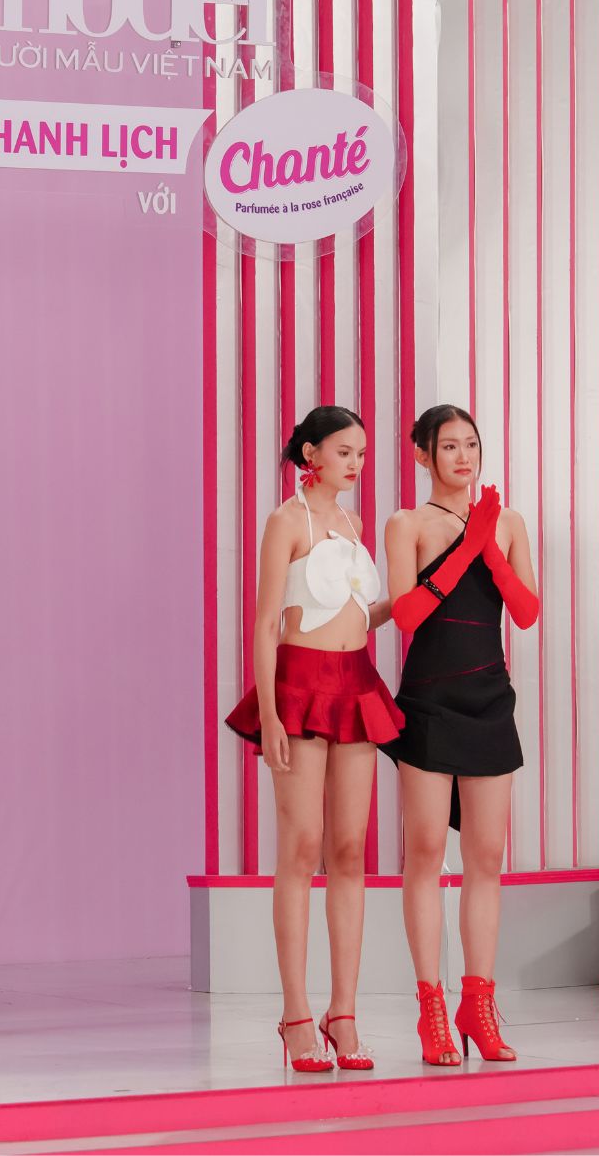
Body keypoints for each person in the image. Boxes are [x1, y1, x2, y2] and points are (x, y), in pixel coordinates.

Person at [223, 405, 402, 1072]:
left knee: (350, 851)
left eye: (362, 453)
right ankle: (296, 1013)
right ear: (311, 454)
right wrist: (270, 715)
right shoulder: (285, 521)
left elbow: (356, 614)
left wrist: (411, 597)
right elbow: (266, 622)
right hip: (299, 685)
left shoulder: (354, 525)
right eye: (345, 451)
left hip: (356, 683)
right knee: (300, 849)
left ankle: (343, 1011)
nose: (356, 463)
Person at [380, 405, 540, 1066]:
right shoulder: (407, 524)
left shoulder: (508, 522)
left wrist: (489, 545)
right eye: (448, 446)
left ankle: (478, 1003)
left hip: (489, 702)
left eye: (471, 444)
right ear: (422, 454)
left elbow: (526, 612)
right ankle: (431, 1010)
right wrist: (468, 546)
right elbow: (406, 614)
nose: (464, 457)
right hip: (429, 703)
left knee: (486, 859)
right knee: (424, 855)